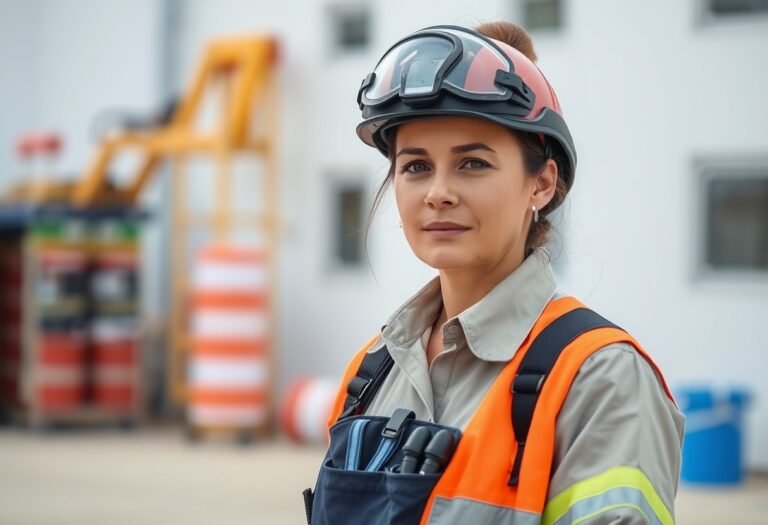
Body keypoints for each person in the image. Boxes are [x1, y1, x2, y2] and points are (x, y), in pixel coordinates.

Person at [307, 21, 684, 525]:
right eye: (416, 166)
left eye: (473, 164)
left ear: (542, 184)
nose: (438, 191)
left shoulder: (600, 378)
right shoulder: (371, 372)